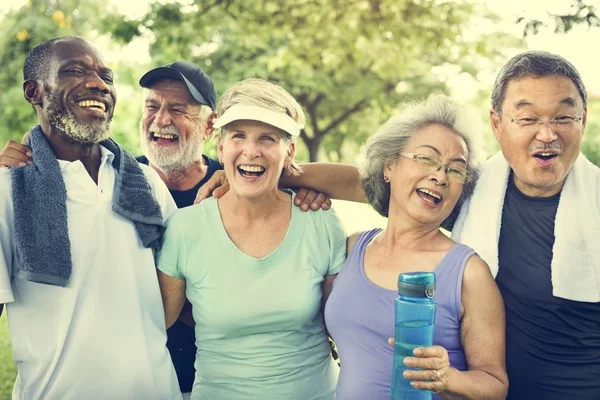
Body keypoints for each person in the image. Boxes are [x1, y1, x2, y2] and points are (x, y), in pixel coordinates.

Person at [0, 60, 332, 398]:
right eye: (152, 106)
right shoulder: (133, 183)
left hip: (193, 380)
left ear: (209, 129)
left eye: (178, 109)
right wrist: (29, 156)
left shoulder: (238, 178)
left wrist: (288, 179)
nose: (161, 119)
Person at [0, 36, 181, 399]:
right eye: (74, 71)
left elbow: (180, 285)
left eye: (106, 77)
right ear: (33, 92)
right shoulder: (8, 190)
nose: (99, 84)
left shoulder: (146, 184)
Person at [156, 78, 346, 400]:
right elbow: (154, 321)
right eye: (238, 136)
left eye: (268, 139)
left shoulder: (321, 223)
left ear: (290, 152)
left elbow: (344, 328)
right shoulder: (184, 229)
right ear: (220, 147)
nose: (251, 151)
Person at [324, 94, 508, 399]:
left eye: (455, 169)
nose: (439, 175)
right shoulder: (352, 248)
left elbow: (495, 385)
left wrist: (448, 378)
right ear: (389, 166)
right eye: (426, 158)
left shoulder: (469, 273)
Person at [451, 50, 600, 400]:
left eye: (563, 117)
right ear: (497, 124)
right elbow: (388, 185)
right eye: (528, 118)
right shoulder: (469, 195)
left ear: (583, 119)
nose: (547, 134)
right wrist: (297, 177)